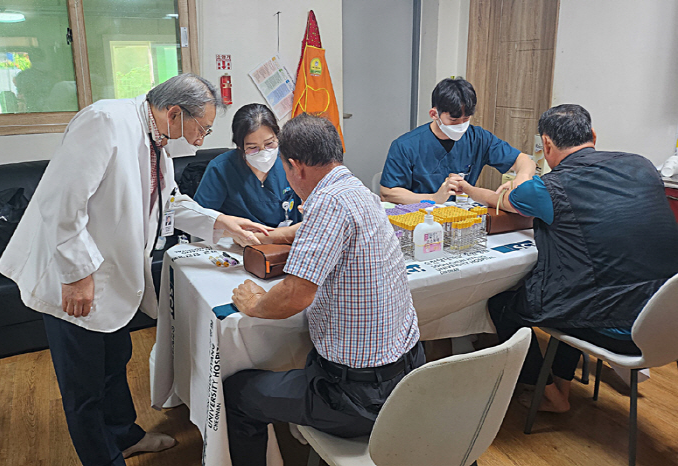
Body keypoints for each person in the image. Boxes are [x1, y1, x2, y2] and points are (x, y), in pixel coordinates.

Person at [0, 74, 269, 466]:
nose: (200, 139)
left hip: (110, 276)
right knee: (84, 386)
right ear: (175, 113)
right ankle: (104, 458)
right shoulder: (104, 122)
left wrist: (219, 221)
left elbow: (166, 205)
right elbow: (60, 204)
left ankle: (125, 435)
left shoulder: (157, 140)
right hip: (71, 278)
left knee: (114, 362)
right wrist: (75, 276)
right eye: (201, 129)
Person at [226, 113, 424, 466]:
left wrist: (254, 303)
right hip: (409, 375)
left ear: (296, 167)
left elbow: (294, 297)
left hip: (358, 397)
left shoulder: (327, 203)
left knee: (236, 393)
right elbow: (329, 229)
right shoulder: (354, 188)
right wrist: (280, 233)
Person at [454, 104, 678, 412]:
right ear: (593, 136)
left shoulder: (551, 187)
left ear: (546, 144)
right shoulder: (641, 166)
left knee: (504, 303)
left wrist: (470, 189)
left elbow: (505, 200)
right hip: (665, 320)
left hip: (622, 329)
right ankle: (562, 383)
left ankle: (551, 395)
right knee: (579, 285)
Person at [379, 77, 536, 205]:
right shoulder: (406, 146)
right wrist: (434, 198)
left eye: (466, 119)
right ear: (434, 114)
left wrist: (522, 177)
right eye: (453, 120)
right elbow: (388, 193)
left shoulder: (478, 138)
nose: (461, 125)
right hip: (421, 219)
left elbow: (523, 160)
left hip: (461, 219)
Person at [194, 103, 302, 244]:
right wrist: (237, 234)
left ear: (278, 136)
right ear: (239, 146)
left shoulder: (290, 161)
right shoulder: (222, 169)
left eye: (270, 144)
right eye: (253, 148)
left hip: (287, 247)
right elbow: (201, 221)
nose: (263, 152)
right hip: (236, 247)